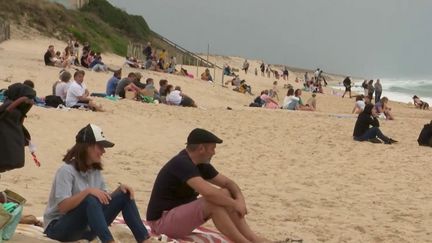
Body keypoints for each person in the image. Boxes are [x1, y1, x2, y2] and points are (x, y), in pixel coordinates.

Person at [146, 128, 267, 242]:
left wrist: (240, 200)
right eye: (212, 148)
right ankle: (243, 242)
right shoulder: (181, 163)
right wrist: (234, 204)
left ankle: (253, 239)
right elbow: (208, 193)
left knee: (225, 192)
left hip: (176, 216)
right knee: (211, 202)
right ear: (201, 148)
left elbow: (228, 183)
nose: (214, 153)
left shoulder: (200, 164)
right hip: (160, 222)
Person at [43, 124, 151, 243]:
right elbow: (63, 207)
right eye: (100, 146)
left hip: (85, 228)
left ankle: (144, 239)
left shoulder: (95, 171)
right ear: (87, 146)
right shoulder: (66, 170)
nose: (103, 151)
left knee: (124, 194)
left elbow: (102, 201)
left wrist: (117, 193)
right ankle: (108, 241)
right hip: (58, 228)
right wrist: (87, 192)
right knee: (90, 198)